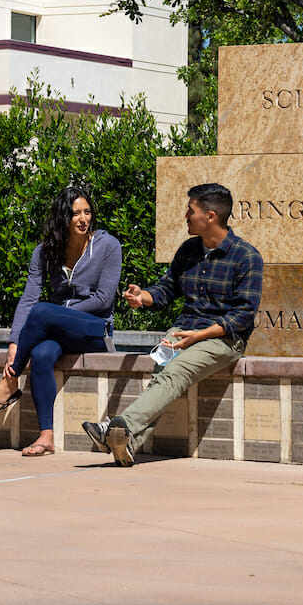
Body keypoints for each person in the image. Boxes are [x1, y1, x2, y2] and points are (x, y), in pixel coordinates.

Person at [82, 183, 262, 467]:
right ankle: (129, 443)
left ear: (211, 216)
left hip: (224, 339)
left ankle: (116, 427)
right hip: (184, 330)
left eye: (190, 211)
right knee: (163, 373)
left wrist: (198, 335)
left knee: (173, 371)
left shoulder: (246, 257)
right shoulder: (189, 250)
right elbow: (166, 291)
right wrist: (142, 297)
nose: (185, 216)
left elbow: (243, 315)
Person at [0, 186, 122, 456]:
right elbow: (28, 298)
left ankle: (9, 382)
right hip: (60, 330)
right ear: (62, 218)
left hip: (96, 330)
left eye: (87, 212)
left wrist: (62, 312)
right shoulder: (45, 252)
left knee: (43, 311)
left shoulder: (108, 246)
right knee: (41, 354)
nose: (83, 219)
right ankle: (46, 436)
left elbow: (103, 300)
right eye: (75, 213)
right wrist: (14, 342)